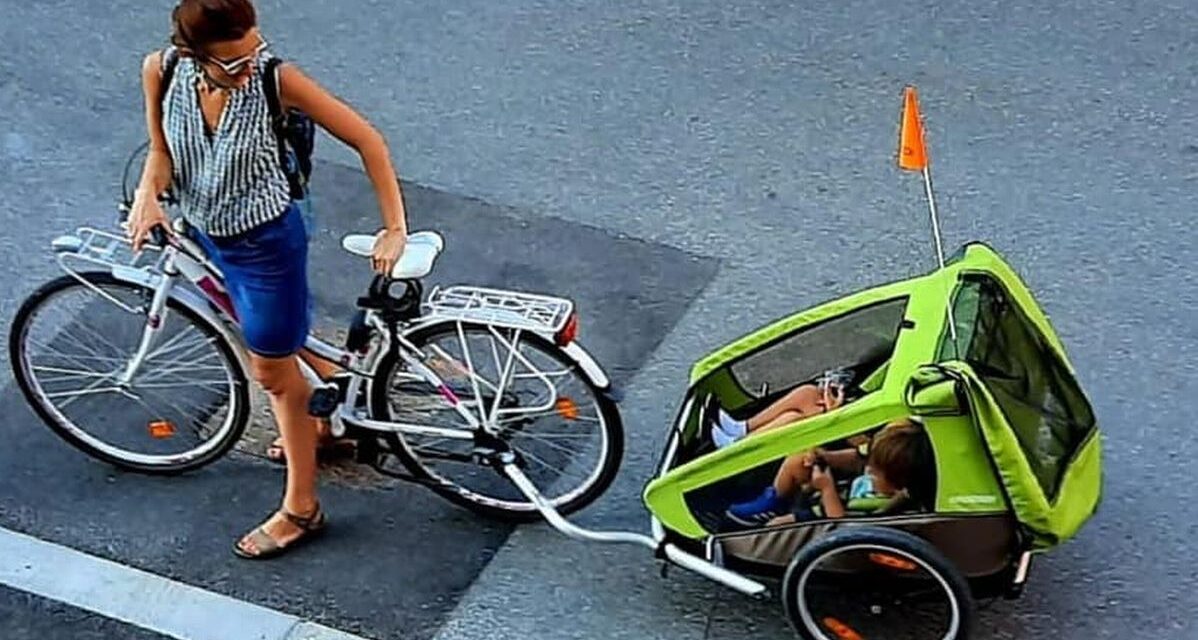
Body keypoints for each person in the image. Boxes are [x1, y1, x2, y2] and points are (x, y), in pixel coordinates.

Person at [125, 0, 409, 558]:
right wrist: (145, 196)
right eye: (233, 63)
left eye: (254, 49)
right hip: (204, 227)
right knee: (275, 330)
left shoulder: (276, 79)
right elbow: (162, 152)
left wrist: (394, 227)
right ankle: (329, 423)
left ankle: (302, 509)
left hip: (265, 244)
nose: (249, 66)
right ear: (193, 55)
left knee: (275, 375)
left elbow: (367, 138)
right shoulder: (161, 70)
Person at [724, 418, 931, 527]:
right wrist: (825, 457)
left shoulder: (891, 508)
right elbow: (861, 459)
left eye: (875, 473)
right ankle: (772, 501)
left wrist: (826, 489)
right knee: (798, 461)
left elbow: (843, 526)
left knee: (775, 526)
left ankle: (770, 521)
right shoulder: (889, 478)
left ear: (898, 483)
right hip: (836, 496)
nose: (869, 471)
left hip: (830, 515)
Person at [705, 378, 848, 449]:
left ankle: (737, 446)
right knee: (808, 393)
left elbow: (865, 447)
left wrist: (834, 414)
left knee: (794, 418)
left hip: (852, 429)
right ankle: (742, 428)